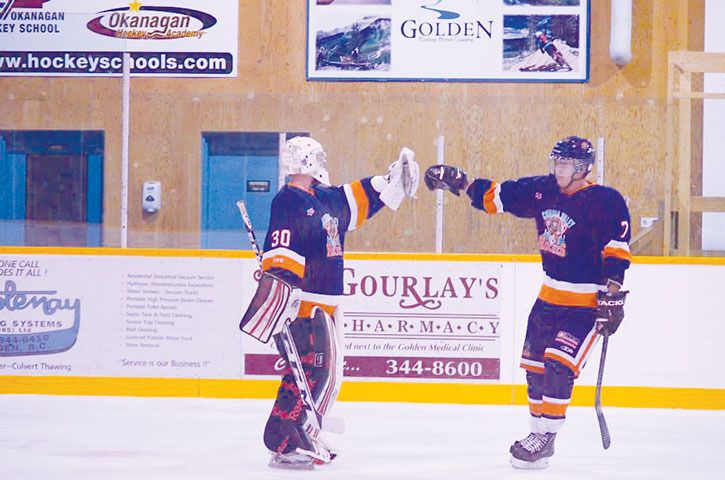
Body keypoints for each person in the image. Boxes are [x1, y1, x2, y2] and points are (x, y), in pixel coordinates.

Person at [424, 136, 631, 469]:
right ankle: (537, 434)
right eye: (557, 162)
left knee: (559, 363)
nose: (559, 169)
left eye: (566, 164)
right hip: (548, 299)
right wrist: (462, 182)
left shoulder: (605, 200)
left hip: (585, 304)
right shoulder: (543, 190)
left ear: (582, 169)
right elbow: (499, 197)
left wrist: (613, 291)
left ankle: (548, 434)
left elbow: (617, 249)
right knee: (535, 370)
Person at [240, 136, 419, 470]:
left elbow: (354, 199)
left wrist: (391, 179)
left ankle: (298, 431)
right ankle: (285, 439)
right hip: (306, 301)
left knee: (327, 374)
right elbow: (281, 252)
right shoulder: (288, 201)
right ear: (308, 161)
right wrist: (284, 300)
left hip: (330, 300)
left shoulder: (323, 195)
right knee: (311, 371)